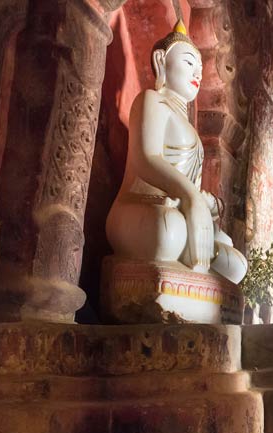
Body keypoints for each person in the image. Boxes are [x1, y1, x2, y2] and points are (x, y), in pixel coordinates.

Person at [106, 20, 247, 284]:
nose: (198, 73)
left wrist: (206, 204)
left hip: (179, 211)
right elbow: (146, 158)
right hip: (141, 209)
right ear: (161, 60)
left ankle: (192, 281)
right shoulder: (151, 101)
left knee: (237, 263)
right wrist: (191, 198)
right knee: (169, 232)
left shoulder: (190, 128)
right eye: (188, 62)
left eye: (201, 68)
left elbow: (190, 187)